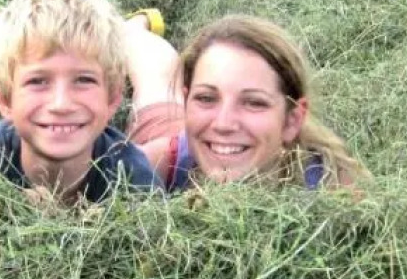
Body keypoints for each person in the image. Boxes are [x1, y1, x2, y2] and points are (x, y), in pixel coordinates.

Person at [127, 14, 367, 191]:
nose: (224, 124)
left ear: (292, 120)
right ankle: (132, 28)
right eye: (206, 98)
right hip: (165, 127)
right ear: (188, 100)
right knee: (153, 79)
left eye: (254, 103)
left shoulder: (334, 187)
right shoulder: (152, 165)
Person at [0, 0, 160, 203]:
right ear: (4, 100)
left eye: (84, 80)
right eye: (37, 81)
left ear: (114, 96)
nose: (61, 104)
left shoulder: (138, 187)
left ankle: (138, 26)